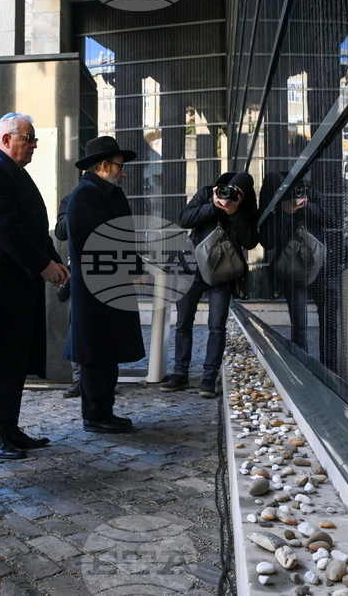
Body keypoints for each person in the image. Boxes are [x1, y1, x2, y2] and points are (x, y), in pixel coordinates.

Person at [0, 113, 69, 459]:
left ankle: (8, 425)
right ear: (6, 139)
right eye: (29, 138)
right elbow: (4, 228)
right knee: (1, 357)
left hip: (19, 281)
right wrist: (43, 265)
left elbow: (38, 229)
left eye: (34, 139)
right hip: (0, 283)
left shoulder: (17, 174)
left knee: (16, 357)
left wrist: (53, 259)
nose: (34, 146)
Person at [63, 137, 145, 433]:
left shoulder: (106, 192)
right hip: (96, 289)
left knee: (107, 353)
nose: (124, 173)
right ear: (104, 165)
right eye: (120, 167)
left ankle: (104, 412)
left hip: (110, 287)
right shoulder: (86, 195)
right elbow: (102, 241)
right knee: (95, 355)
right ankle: (95, 416)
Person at [160, 172, 259, 398]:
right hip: (192, 270)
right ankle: (180, 374)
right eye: (229, 189)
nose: (230, 195)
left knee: (216, 326)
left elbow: (251, 241)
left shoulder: (244, 210)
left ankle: (208, 378)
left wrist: (234, 213)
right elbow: (185, 219)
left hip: (222, 273)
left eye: (238, 194)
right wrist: (214, 206)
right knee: (183, 323)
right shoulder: (207, 193)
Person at [259, 173, 326, 352]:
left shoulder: (309, 191)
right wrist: (285, 212)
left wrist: (306, 205)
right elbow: (268, 241)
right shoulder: (276, 207)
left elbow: (330, 218)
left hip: (319, 266)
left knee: (328, 324)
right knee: (299, 325)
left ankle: (328, 371)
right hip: (293, 269)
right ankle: (302, 364)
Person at [54, 182, 82, 398]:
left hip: (105, 270)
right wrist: (77, 206)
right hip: (78, 270)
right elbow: (61, 232)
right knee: (77, 325)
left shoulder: (111, 197)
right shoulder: (70, 199)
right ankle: (79, 380)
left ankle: (103, 379)